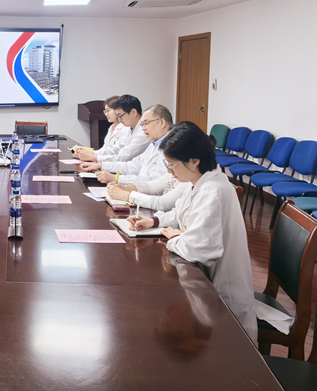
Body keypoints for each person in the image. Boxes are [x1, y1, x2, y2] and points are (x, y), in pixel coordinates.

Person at [127, 121, 257, 343]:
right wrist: (154, 221)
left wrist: (174, 238)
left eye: (172, 165)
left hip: (221, 298)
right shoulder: (198, 180)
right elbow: (180, 213)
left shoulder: (213, 191)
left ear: (194, 161)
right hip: (205, 282)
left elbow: (198, 249)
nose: (170, 172)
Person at [80, 105, 172, 184]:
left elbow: (154, 181)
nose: (143, 128)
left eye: (146, 123)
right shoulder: (153, 145)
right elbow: (131, 166)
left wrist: (115, 178)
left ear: (162, 122)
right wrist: (101, 165)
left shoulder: (172, 148)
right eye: (142, 124)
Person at [76, 95, 150, 163]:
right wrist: (91, 154)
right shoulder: (129, 128)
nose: (119, 120)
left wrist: (94, 157)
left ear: (133, 112)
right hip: (124, 167)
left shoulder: (143, 132)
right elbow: (115, 149)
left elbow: (123, 157)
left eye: (121, 116)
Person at [89, 96, 130, 161]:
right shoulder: (111, 127)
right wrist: (89, 153)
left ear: (118, 110)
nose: (106, 114)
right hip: (108, 161)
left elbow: (115, 151)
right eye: (105, 111)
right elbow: (105, 148)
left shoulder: (126, 128)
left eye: (108, 111)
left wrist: (91, 155)